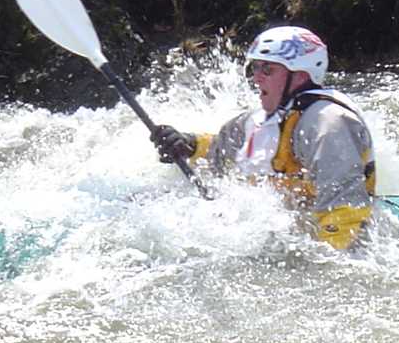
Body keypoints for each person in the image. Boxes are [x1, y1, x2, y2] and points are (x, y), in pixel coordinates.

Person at [148, 25, 376, 250]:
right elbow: (221, 152)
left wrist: (330, 264)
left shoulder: (328, 123)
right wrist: (188, 145)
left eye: (267, 70)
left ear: (300, 75)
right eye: (255, 68)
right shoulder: (261, 120)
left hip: (342, 234)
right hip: (294, 233)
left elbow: (345, 210)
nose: (256, 79)